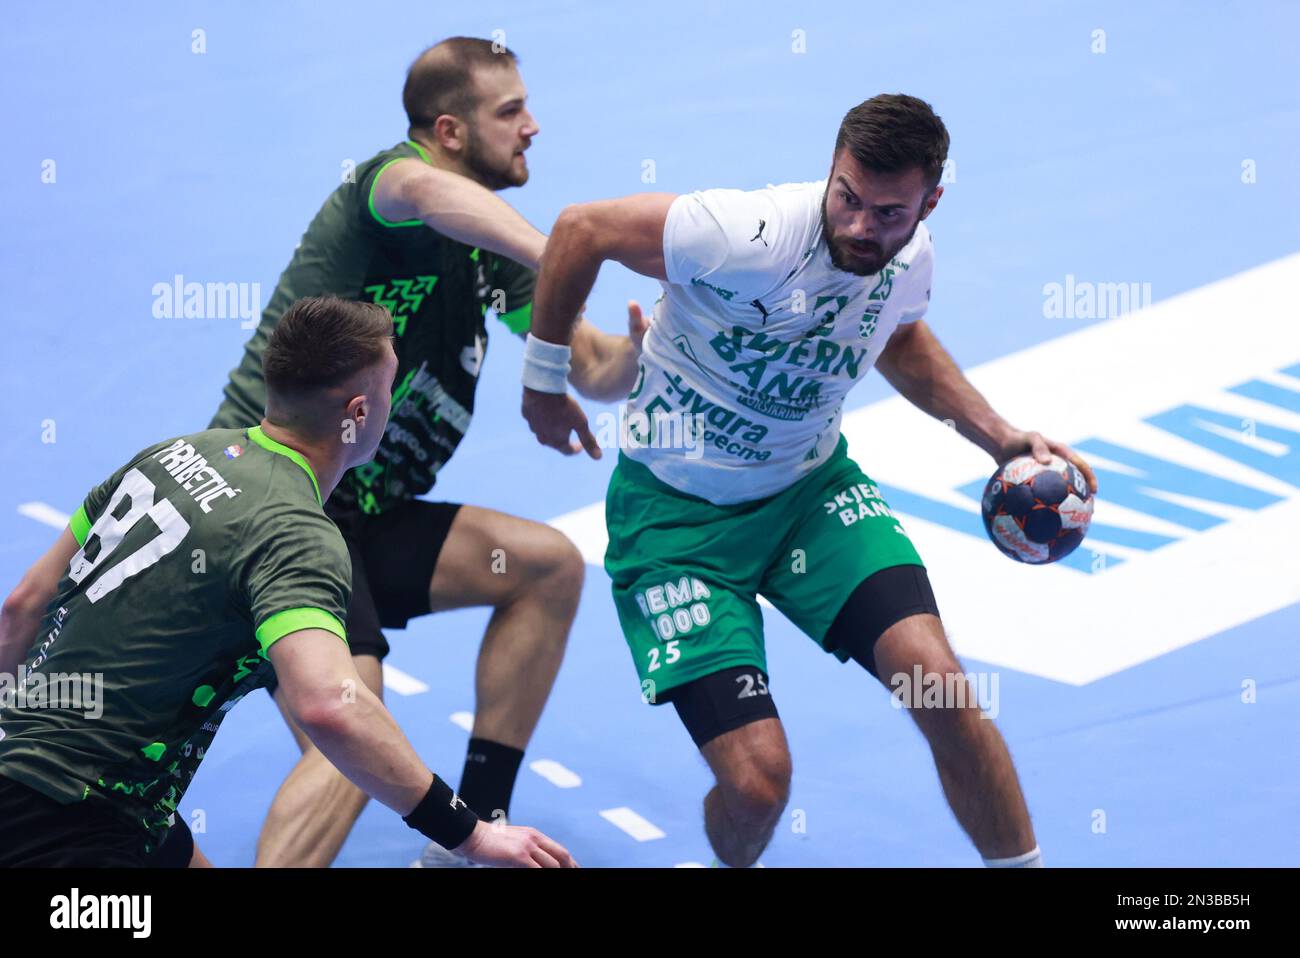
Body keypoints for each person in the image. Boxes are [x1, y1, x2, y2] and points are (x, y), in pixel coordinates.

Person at [520, 93, 1099, 867]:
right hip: (674, 527)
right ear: (830, 171)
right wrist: (543, 379)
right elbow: (578, 230)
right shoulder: (743, 234)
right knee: (759, 787)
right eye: (847, 198)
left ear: (932, 201)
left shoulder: (909, 257)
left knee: (945, 694)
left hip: (810, 500)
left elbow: (896, 336)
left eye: (889, 213)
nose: (862, 226)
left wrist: (997, 436)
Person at [208, 37, 643, 866]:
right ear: (448, 131)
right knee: (353, 745)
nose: (533, 127)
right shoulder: (390, 189)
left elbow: (586, 364)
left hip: (364, 515)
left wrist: (638, 356)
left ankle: (472, 831)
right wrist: (564, 253)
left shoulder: (487, 249)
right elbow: (424, 194)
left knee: (547, 568)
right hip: (277, 507)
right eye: (509, 111)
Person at [0, 297, 576, 868]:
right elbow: (330, 704)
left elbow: (23, 606)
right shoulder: (295, 532)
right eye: (388, 389)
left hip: (84, 781)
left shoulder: (171, 454)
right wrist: (468, 834)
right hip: (69, 819)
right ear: (358, 412)